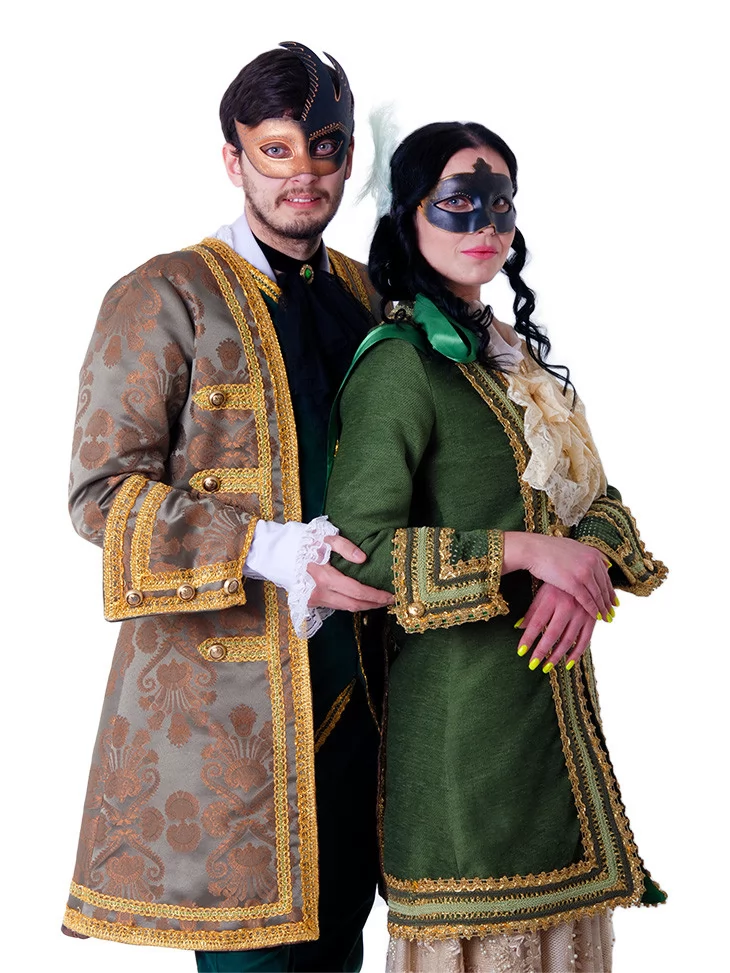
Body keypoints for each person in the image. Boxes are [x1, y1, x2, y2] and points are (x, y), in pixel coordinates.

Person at [62, 41, 393, 972]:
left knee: (343, 938)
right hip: (228, 707)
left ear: (347, 157)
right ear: (234, 158)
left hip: (366, 688)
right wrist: (272, 547)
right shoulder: (164, 292)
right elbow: (99, 493)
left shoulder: (370, 296)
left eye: (324, 148)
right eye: (275, 150)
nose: (303, 173)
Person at [324, 121, 667, 972]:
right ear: (409, 215)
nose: (485, 224)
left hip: (553, 729)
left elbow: (596, 498)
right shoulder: (400, 365)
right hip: (460, 737)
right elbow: (356, 549)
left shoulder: (511, 361)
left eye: (500, 203)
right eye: (458, 202)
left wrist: (579, 566)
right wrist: (524, 552)